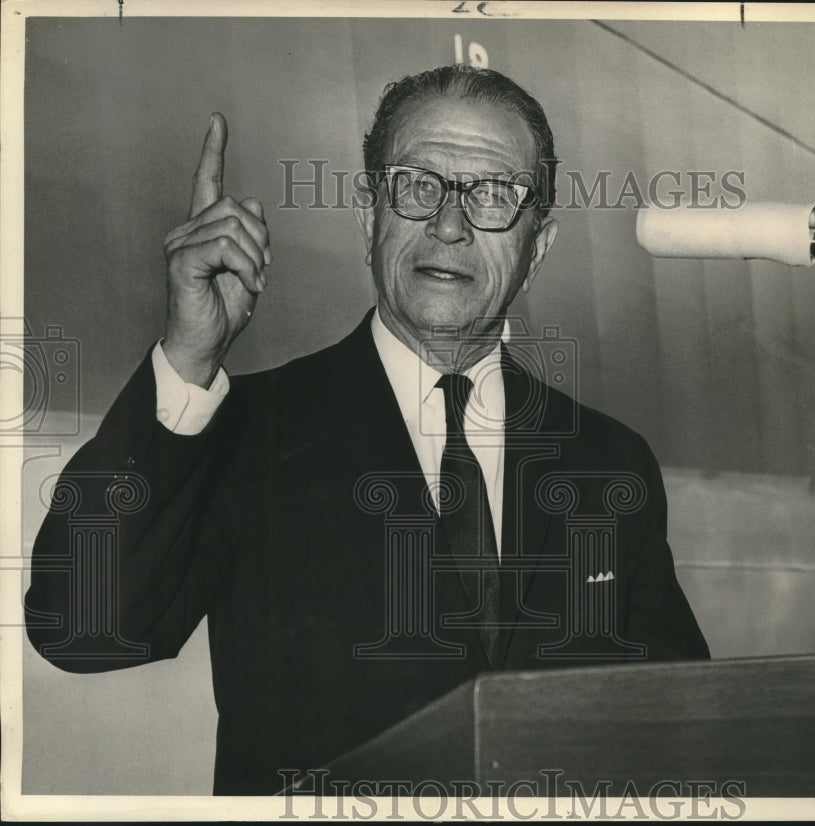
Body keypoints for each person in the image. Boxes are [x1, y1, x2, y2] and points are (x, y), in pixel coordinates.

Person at [25, 65, 709, 795]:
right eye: (419, 185)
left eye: (493, 196)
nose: (449, 225)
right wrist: (190, 357)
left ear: (537, 248)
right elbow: (82, 627)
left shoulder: (609, 463)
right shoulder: (246, 433)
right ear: (367, 216)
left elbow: (683, 728)